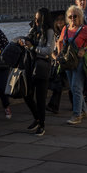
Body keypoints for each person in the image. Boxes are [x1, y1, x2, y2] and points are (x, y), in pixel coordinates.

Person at [54, 5, 87, 125]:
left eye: (75, 16)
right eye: (70, 16)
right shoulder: (65, 28)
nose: (73, 18)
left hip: (79, 62)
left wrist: (86, 49)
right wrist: (59, 54)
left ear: (79, 17)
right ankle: (83, 110)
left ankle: (76, 115)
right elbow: (59, 42)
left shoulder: (84, 29)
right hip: (68, 62)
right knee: (74, 88)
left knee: (76, 88)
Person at [20, 8, 54, 136]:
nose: (36, 21)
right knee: (27, 94)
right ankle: (37, 117)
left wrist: (33, 48)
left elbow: (49, 50)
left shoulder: (49, 32)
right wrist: (23, 42)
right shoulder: (33, 29)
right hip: (30, 65)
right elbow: (27, 41)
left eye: (38, 19)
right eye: (35, 19)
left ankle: (42, 125)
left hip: (42, 66)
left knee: (40, 98)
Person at [46, 11, 67, 114]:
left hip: (66, 61)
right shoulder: (52, 33)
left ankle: (53, 106)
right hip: (57, 62)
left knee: (69, 86)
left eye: (62, 19)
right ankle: (53, 106)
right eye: (57, 20)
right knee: (59, 84)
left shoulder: (67, 31)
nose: (60, 22)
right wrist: (55, 58)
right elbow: (51, 49)